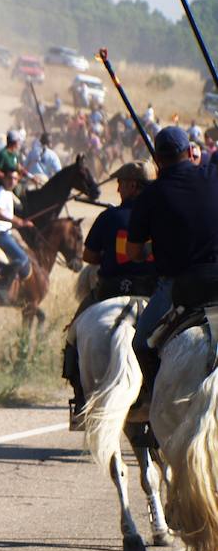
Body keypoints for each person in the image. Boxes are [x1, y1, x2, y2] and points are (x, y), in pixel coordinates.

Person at [126, 125, 218, 416]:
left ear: (157, 160)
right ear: (190, 152)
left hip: (181, 287)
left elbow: (133, 252)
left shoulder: (149, 197)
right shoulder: (213, 177)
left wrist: (153, 249)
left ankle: (153, 399)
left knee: (140, 343)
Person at [61, 160, 156, 426]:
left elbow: (89, 256)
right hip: (152, 292)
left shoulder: (110, 217)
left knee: (72, 334)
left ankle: (81, 397)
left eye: (122, 183)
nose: (117, 187)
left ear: (133, 186)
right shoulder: (160, 215)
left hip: (110, 291)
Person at [0, 168, 34, 304]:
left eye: (15, 179)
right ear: (4, 179)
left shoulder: (7, 193)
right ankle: (2, 287)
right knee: (23, 259)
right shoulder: (0, 193)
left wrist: (21, 223)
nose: (12, 181)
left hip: (4, 232)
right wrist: (17, 221)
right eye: (9, 178)